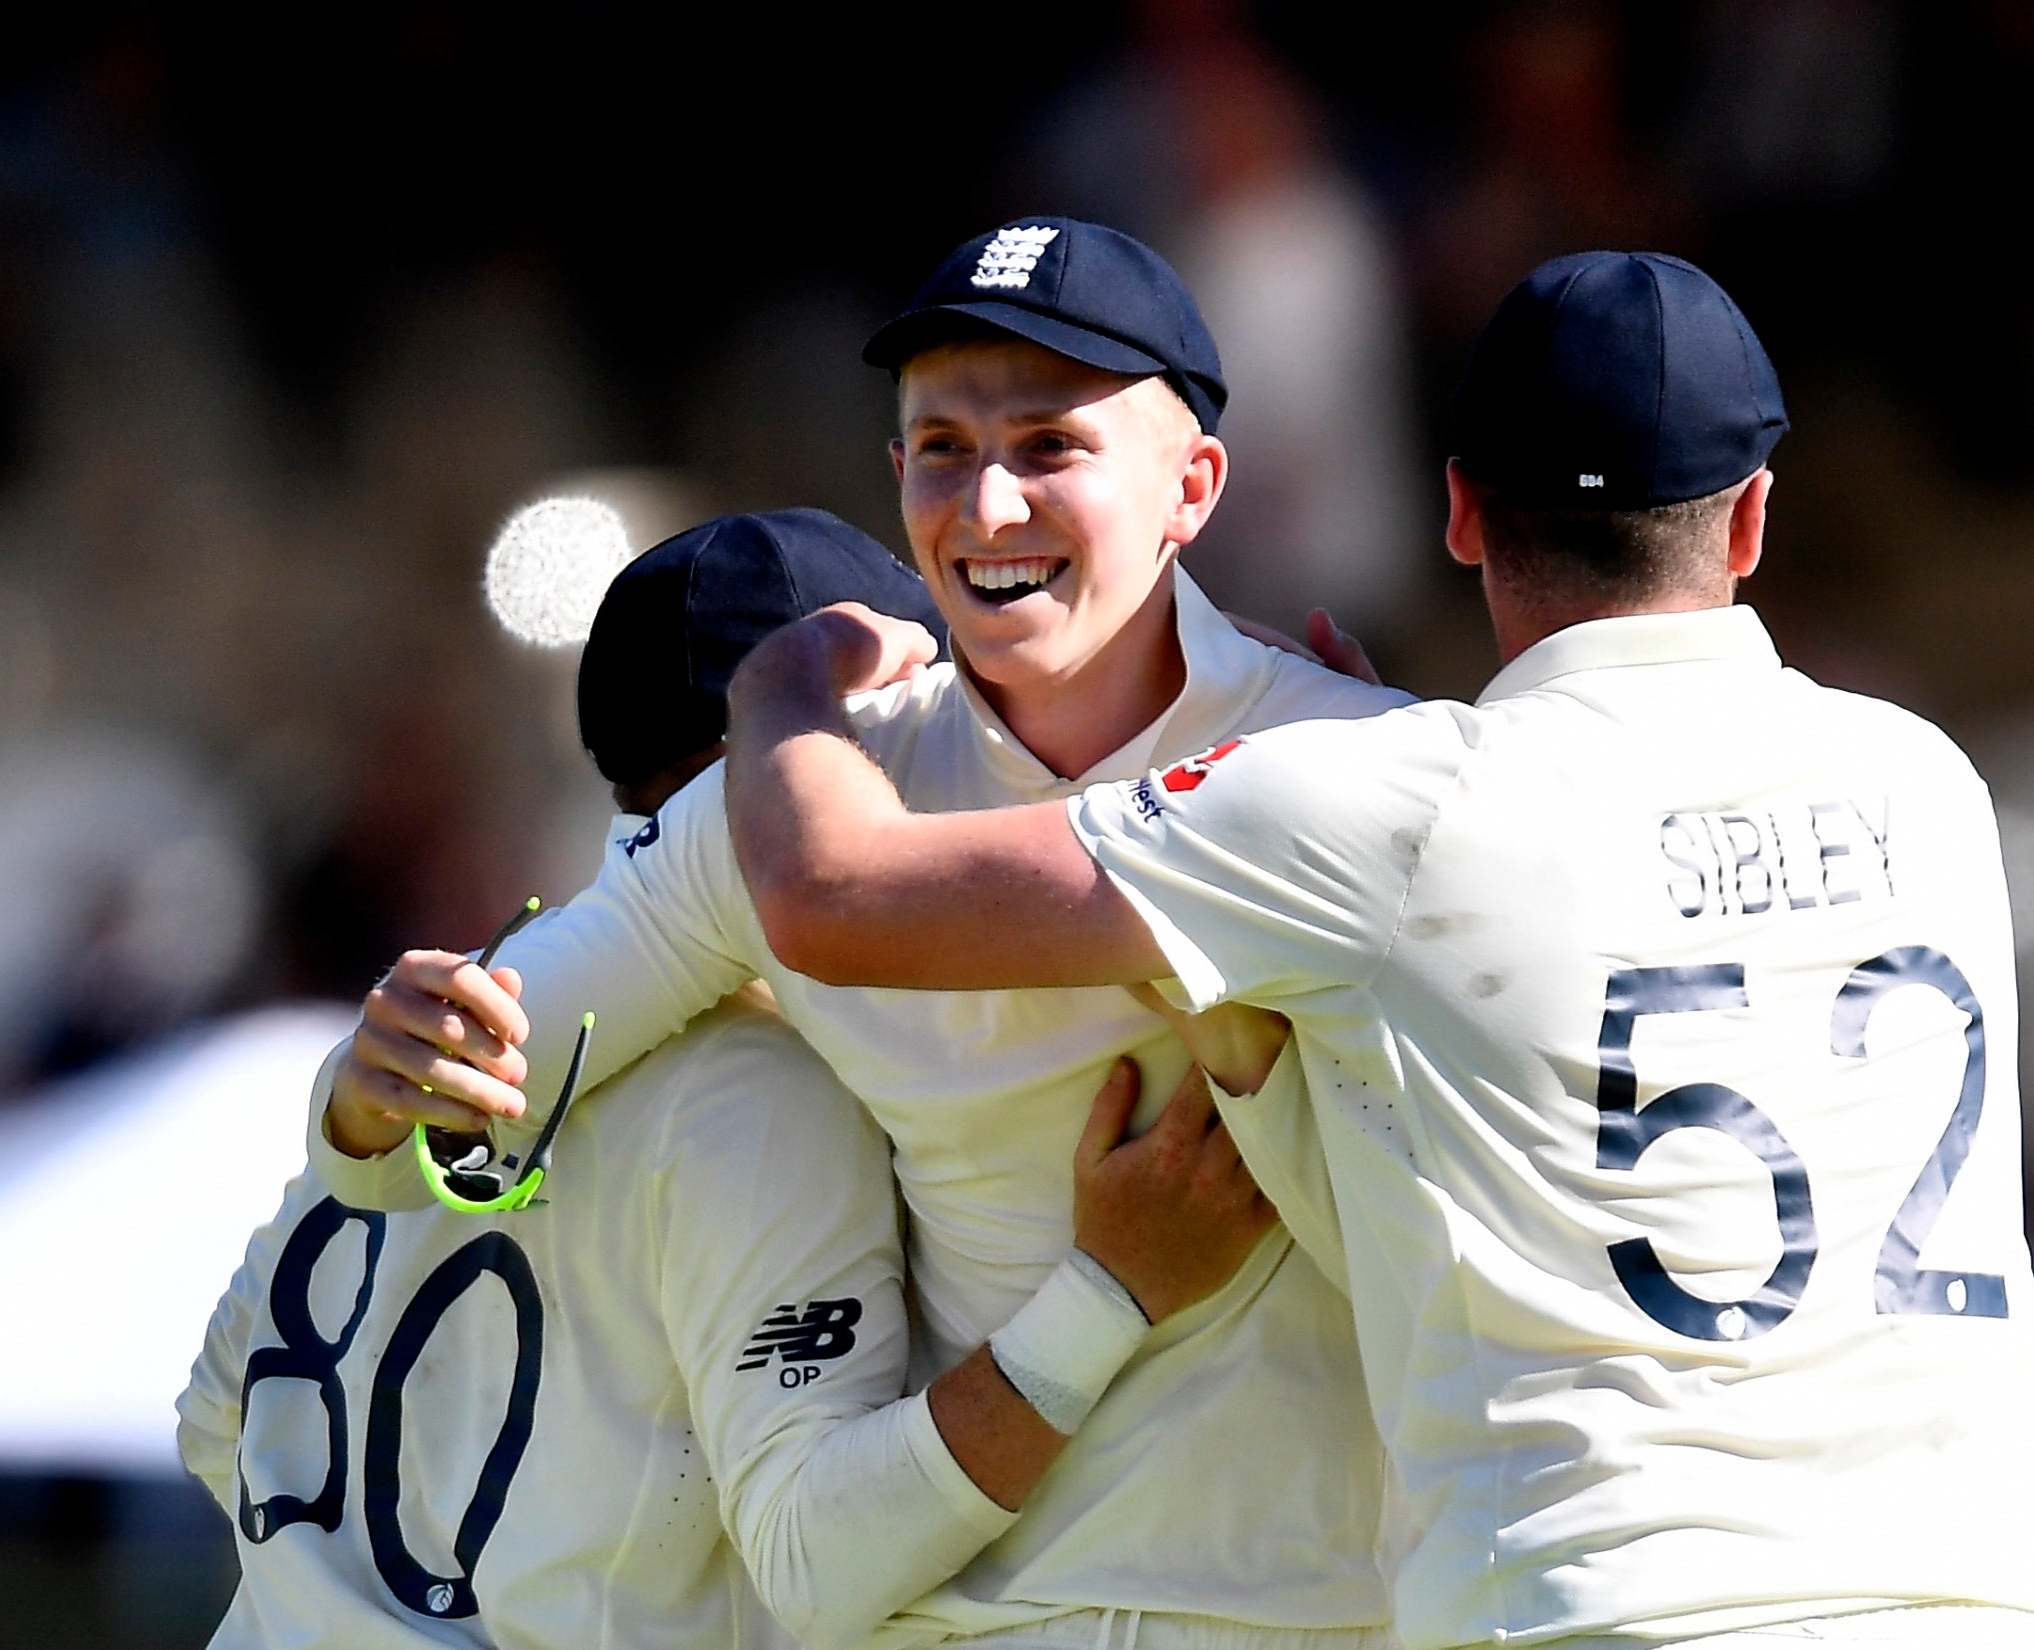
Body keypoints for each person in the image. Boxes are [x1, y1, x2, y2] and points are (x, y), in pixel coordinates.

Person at [706, 254, 2034, 1650]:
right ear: (1748, 522)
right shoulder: (1929, 783)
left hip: (1616, 1607)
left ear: (1456, 513)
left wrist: (780, 690)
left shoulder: (1381, 805)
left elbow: (832, 893)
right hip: (1986, 1598)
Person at [303, 218, 1411, 1650]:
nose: (989, 504)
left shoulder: (1366, 764)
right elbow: (444, 1138)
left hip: (1321, 1620)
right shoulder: (802, 795)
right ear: (894, 478)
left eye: (1050, 446)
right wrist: (376, 1086)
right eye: (942, 447)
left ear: (1192, 485)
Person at [179, 509, 1277, 1650]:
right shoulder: (757, 1094)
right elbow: (821, 1559)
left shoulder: (444, 1043)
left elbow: (215, 1419)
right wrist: (1110, 1295)